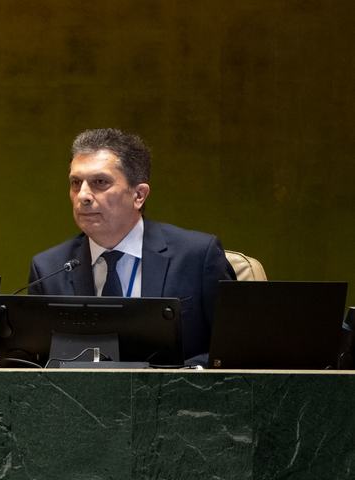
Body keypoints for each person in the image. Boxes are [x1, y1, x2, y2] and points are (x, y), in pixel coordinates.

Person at [27, 128, 235, 364]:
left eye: (100, 182)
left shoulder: (197, 256)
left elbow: (233, 352)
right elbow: (36, 365)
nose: (83, 195)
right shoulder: (48, 269)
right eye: (76, 183)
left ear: (139, 195)